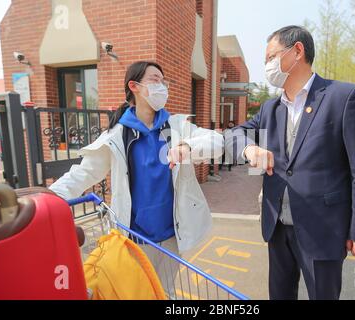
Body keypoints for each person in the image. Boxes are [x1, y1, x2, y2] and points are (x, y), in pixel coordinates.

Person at [226, 26, 355, 300]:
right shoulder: (270, 109)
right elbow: (234, 134)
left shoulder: (343, 98)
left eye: (271, 57)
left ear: (297, 51)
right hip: (277, 228)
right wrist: (249, 148)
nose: (267, 66)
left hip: (323, 229)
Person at [50, 61, 224, 298]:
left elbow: (217, 141)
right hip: (134, 238)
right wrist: (49, 197)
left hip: (172, 235)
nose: (162, 86)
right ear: (134, 86)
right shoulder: (117, 135)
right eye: (155, 79)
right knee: (136, 293)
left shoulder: (176, 126)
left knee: (164, 292)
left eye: (164, 81)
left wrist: (187, 146)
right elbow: (83, 173)